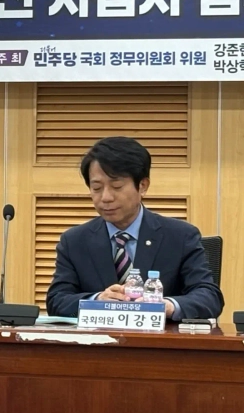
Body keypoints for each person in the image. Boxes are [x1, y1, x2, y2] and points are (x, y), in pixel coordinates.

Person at [46, 136, 223, 320]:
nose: (105, 197)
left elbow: (209, 297)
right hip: (96, 345)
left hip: (159, 344)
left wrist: (167, 306)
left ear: (143, 186)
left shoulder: (180, 236)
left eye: (116, 186)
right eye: (97, 188)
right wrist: (97, 300)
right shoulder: (74, 241)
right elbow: (57, 301)